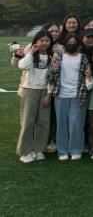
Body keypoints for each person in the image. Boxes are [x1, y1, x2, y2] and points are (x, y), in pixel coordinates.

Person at [46, 34, 93, 161]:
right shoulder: (58, 57)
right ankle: (62, 151)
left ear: (78, 44)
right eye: (69, 42)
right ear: (65, 43)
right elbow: (50, 78)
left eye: (74, 42)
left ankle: (76, 150)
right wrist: (54, 68)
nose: (71, 44)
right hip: (60, 95)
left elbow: (88, 79)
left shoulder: (83, 58)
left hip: (78, 95)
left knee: (76, 124)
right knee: (61, 124)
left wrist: (89, 77)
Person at [15, 30, 53, 163]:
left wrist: (49, 95)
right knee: (28, 122)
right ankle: (25, 152)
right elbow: (22, 65)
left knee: (43, 122)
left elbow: (52, 77)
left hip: (44, 91)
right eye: (41, 40)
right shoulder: (30, 54)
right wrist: (31, 52)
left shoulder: (52, 56)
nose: (44, 43)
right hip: (29, 90)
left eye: (47, 41)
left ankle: (38, 150)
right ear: (36, 41)